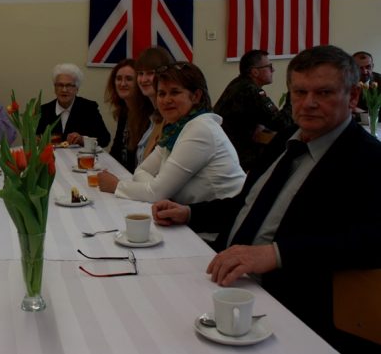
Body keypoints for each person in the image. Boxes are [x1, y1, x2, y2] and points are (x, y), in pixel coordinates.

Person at [152, 46, 381, 353]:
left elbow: (369, 241)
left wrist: (276, 253)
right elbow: (246, 205)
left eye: (324, 92)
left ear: (352, 96)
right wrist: (190, 213)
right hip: (222, 275)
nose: (308, 103)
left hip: (285, 305)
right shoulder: (286, 140)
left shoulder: (368, 159)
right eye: (300, 92)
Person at [98, 63, 245, 241]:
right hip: (193, 223)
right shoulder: (176, 128)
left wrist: (117, 186)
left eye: (174, 92)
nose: (166, 100)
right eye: (161, 93)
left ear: (196, 96)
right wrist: (157, 189)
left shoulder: (200, 129)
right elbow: (141, 171)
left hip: (221, 231)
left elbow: (157, 193)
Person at [214, 50, 293, 171]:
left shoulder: (238, 84)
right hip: (237, 157)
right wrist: (292, 97)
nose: (273, 70)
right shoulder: (251, 91)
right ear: (255, 72)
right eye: (269, 66)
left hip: (223, 152)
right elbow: (281, 123)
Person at [36, 63, 111, 147]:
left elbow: (105, 139)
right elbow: (33, 139)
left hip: (79, 155)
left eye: (69, 85)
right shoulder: (43, 111)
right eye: (60, 85)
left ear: (77, 89)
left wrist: (83, 140)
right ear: (55, 88)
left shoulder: (89, 108)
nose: (64, 90)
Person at [131, 47, 176, 164]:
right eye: (140, 73)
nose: (143, 79)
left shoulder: (170, 118)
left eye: (150, 73)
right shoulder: (149, 115)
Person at [105, 59, 149, 172]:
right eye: (119, 78)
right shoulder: (124, 112)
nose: (122, 84)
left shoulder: (148, 115)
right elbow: (116, 151)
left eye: (129, 79)